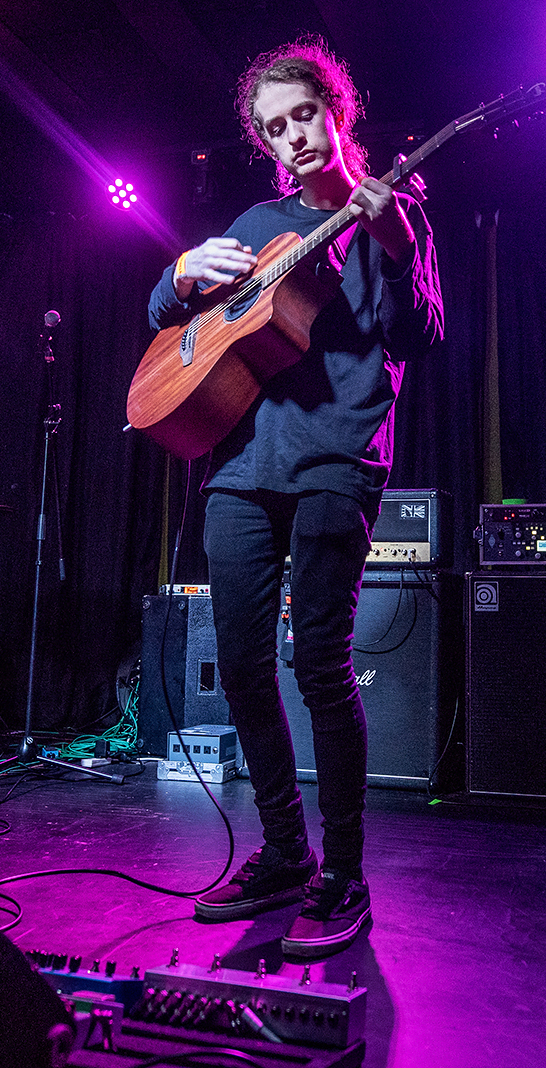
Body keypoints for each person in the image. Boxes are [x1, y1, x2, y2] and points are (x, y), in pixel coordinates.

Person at [146, 36, 443, 959]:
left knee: (317, 664)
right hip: (240, 464)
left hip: (337, 460)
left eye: (304, 115)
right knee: (241, 666)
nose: (293, 138)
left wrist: (396, 248)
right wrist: (177, 275)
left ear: (337, 111)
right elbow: (174, 317)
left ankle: (343, 873)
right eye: (274, 128)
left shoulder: (393, 213)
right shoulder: (256, 220)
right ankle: (283, 852)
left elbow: (420, 337)